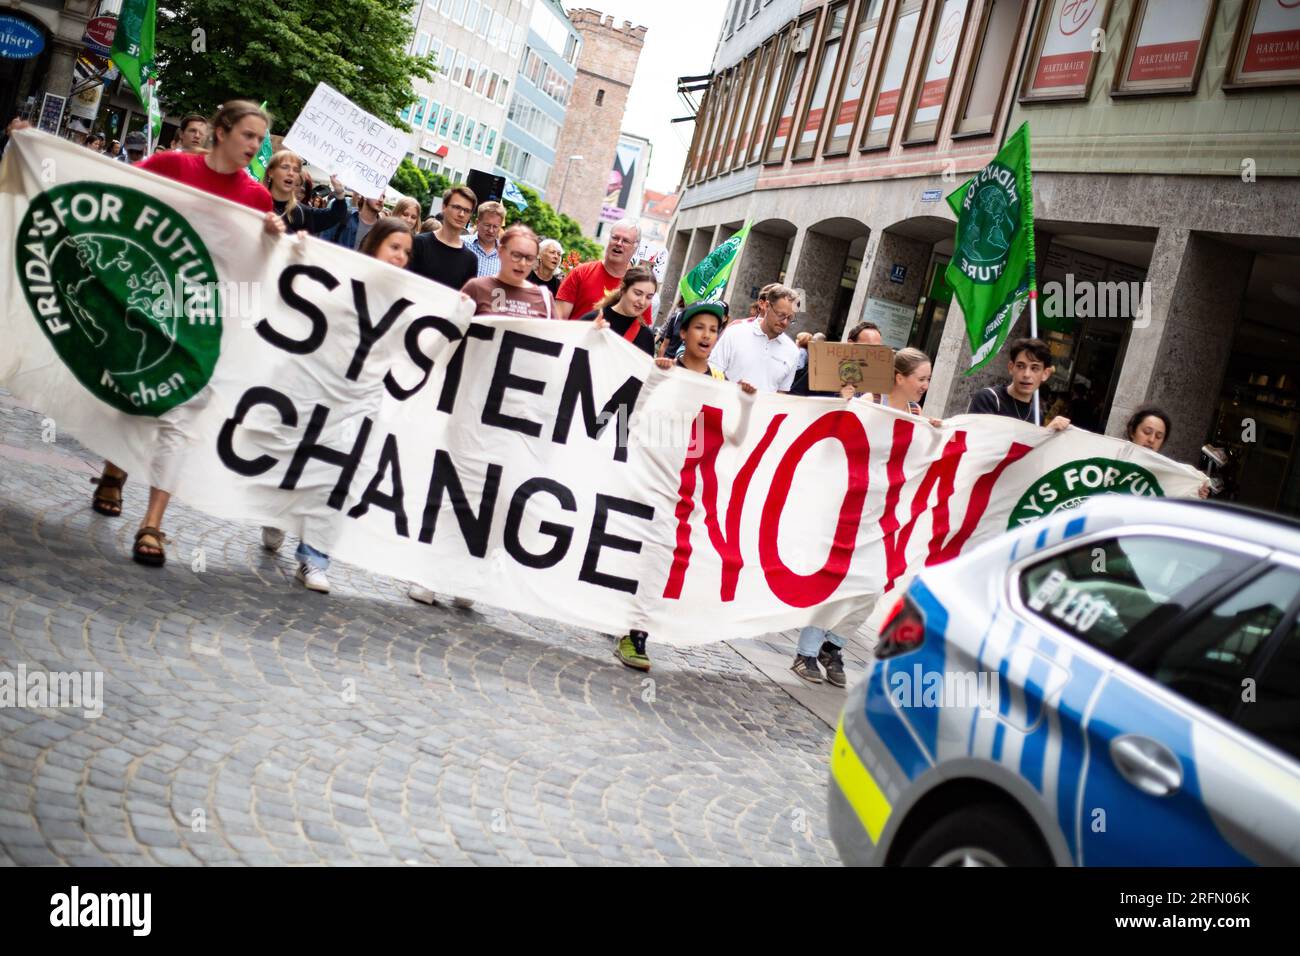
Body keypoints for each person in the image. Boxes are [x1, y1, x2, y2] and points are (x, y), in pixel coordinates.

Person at [56, 100, 284, 566]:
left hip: (202, 321)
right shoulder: (170, 166)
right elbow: (112, 193)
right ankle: (114, 471)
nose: (255, 146)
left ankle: (153, 523)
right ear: (221, 132)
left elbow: (252, 264)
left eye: (260, 140)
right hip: (148, 307)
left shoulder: (257, 197)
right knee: (136, 396)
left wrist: (273, 238)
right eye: (248, 135)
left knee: (181, 417)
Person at [262, 218, 415, 592]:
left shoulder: (408, 297)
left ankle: (314, 558)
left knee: (340, 473)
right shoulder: (343, 276)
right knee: (297, 457)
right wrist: (298, 251)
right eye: (394, 246)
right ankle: (277, 515)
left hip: (362, 398)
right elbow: (302, 295)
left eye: (407, 252)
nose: (400, 257)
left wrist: (456, 312)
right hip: (318, 385)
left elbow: (418, 342)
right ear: (375, 244)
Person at [710, 283, 799, 393]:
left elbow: (782, 394)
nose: (785, 322)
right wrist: (733, 388)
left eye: (790, 318)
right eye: (780, 315)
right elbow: (712, 371)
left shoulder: (793, 351)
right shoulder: (735, 332)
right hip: (726, 407)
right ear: (766, 306)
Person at [967, 337, 1070, 431]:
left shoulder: (1037, 416)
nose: (1026, 374)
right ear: (1011, 367)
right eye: (1021, 366)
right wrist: (1044, 433)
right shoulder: (989, 399)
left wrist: (1045, 435)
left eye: (1034, 368)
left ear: (1045, 374)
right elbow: (980, 445)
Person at [555, 219, 645, 321]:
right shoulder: (580, 272)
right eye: (615, 238)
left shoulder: (641, 287)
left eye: (625, 241)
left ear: (635, 247)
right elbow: (559, 318)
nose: (619, 243)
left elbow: (640, 329)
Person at [460, 224, 554, 319]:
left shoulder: (544, 298)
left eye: (529, 258)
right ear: (500, 251)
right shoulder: (476, 288)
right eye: (516, 255)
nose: (522, 263)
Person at [1125, 405, 1211, 499]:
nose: (1152, 439)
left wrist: (1195, 490)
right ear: (1132, 432)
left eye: (1159, 436)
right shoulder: (1110, 456)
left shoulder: (1165, 474)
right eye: (1147, 432)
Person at [409, 184, 479, 290]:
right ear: (444, 207)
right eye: (457, 207)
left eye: (467, 210)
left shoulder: (470, 260)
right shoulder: (419, 243)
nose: (461, 214)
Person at [578, 265, 658, 357]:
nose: (642, 302)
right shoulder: (593, 320)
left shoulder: (646, 337)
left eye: (649, 297)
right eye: (638, 293)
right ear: (623, 289)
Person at [263, 150, 348, 235]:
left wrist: (340, 193)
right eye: (285, 167)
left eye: (296, 170)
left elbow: (336, 215)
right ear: (271, 172)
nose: (291, 173)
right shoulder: (253, 199)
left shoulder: (301, 212)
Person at [467, 200, 505, 277]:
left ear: (500, 227)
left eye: (495, 227)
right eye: (487, 225)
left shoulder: (504, 255)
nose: (491, 230)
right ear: (477, 223)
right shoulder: (462, 243)